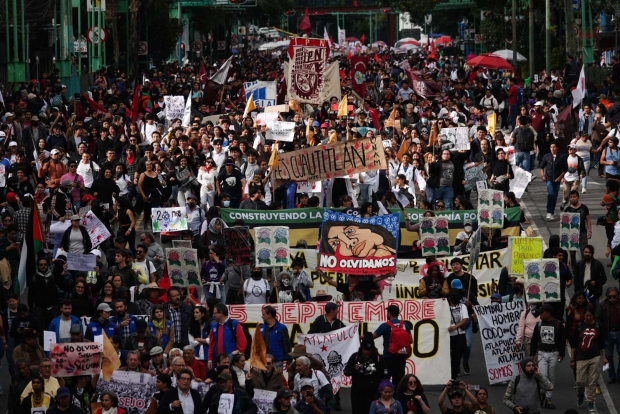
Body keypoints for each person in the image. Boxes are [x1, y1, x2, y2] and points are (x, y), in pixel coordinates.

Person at [529, 304, 565, 408]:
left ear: (548, 313)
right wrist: (532, 354)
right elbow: (534, 339)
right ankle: (541, 394)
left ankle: (548, 400)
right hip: (542, 354)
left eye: (542, 312)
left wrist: (561, 354)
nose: (540, 314)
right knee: (542, 376)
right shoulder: (539, 324)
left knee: (551, 378)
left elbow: (562, 340)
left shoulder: (558, 324)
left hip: (554, 353)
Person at [572, 306, 607, 412]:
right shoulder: (579, 327)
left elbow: (602, 343)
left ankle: (591, 402)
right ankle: (581, 394)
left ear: (593, 316)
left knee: (592, 381)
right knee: (580, 381)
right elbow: (574, 344)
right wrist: (572, 359)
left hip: (594, 357)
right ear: (584, 316)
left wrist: (604, 357)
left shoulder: (597, 326)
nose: (588, 317)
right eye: (586, 315)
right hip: (581, 357)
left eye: (590, 315)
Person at [344, 333, 388, 413]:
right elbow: (346, 372)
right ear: (361, 348)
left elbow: (385, 374)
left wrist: (381, 386)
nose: (366, 352)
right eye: (365, 349)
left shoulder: (378, 358)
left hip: (373, 392)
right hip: (357, 392)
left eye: (369, 350)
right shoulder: (355, 357)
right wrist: (354, 368)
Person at [373, 305, 412, 390]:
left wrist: (358, 336)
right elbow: (411, 340)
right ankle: (397, 401)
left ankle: (385, 400)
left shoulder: (385, 325)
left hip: (388, 357)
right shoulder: (405, 325)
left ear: (389, 313)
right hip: (401, 358)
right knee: (399, 382)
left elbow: (372, 337)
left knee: (384, 380)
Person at [207, 303, 248, 370]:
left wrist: (236, 355)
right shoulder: (214, 326)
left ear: (221, 313)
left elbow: (242, 342)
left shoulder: (234, 324)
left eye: (214, 313)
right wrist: (210, 359)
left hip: (231, 362)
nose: (213, 315)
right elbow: (211, 345)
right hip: (217, 362)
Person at [595, 287, 620, 384]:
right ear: (607, 296)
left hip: (619, 332)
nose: (612, 298)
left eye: (614, 296)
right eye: (610, 297)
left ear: (617, 296)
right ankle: (611, 376)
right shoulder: (602, 305)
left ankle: (619, 375)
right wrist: (601, 328)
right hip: (608, 333)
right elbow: (597, 317)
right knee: (608, 356)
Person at [540, 141, 568, 221]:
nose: (553, 149)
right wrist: (543, 175)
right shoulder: (546, 156)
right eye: (551, 147)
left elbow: (565, 169)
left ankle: (551, 212)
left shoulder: (562, 157)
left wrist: (560, 177)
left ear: (557, 148)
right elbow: (541, 167)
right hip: (548, 178)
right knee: (551, 194)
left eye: (554, 147)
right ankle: (548, 211)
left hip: (557, 179)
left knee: (555, 196)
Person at [260, 305, 290, 370]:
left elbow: (286, 346)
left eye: (263, 314)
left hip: (277, 361)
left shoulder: (282, 328)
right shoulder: (261, 328)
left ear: (269, 315)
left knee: (277, 379)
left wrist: (289, 361)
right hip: (263, 362)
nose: (262, 316)